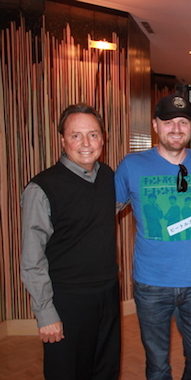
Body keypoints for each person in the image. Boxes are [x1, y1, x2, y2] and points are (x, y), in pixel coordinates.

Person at [115, 94, 191, 380]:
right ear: (156, 125)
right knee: (157, 365)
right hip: (151, 284)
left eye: (183, 122)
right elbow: (107, 210)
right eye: (169, 122)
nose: (176, 128)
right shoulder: (132, 165)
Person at [20, 104, 120, 379]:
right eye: (76, 135)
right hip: (66, 299)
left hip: (107, 294)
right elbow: (31, 258)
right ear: (62, 139)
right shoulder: (42, 188)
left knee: (105, 371)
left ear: (103, 138)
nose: (86, 143)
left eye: (93, 134)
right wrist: (45, 312)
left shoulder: (108, 176)